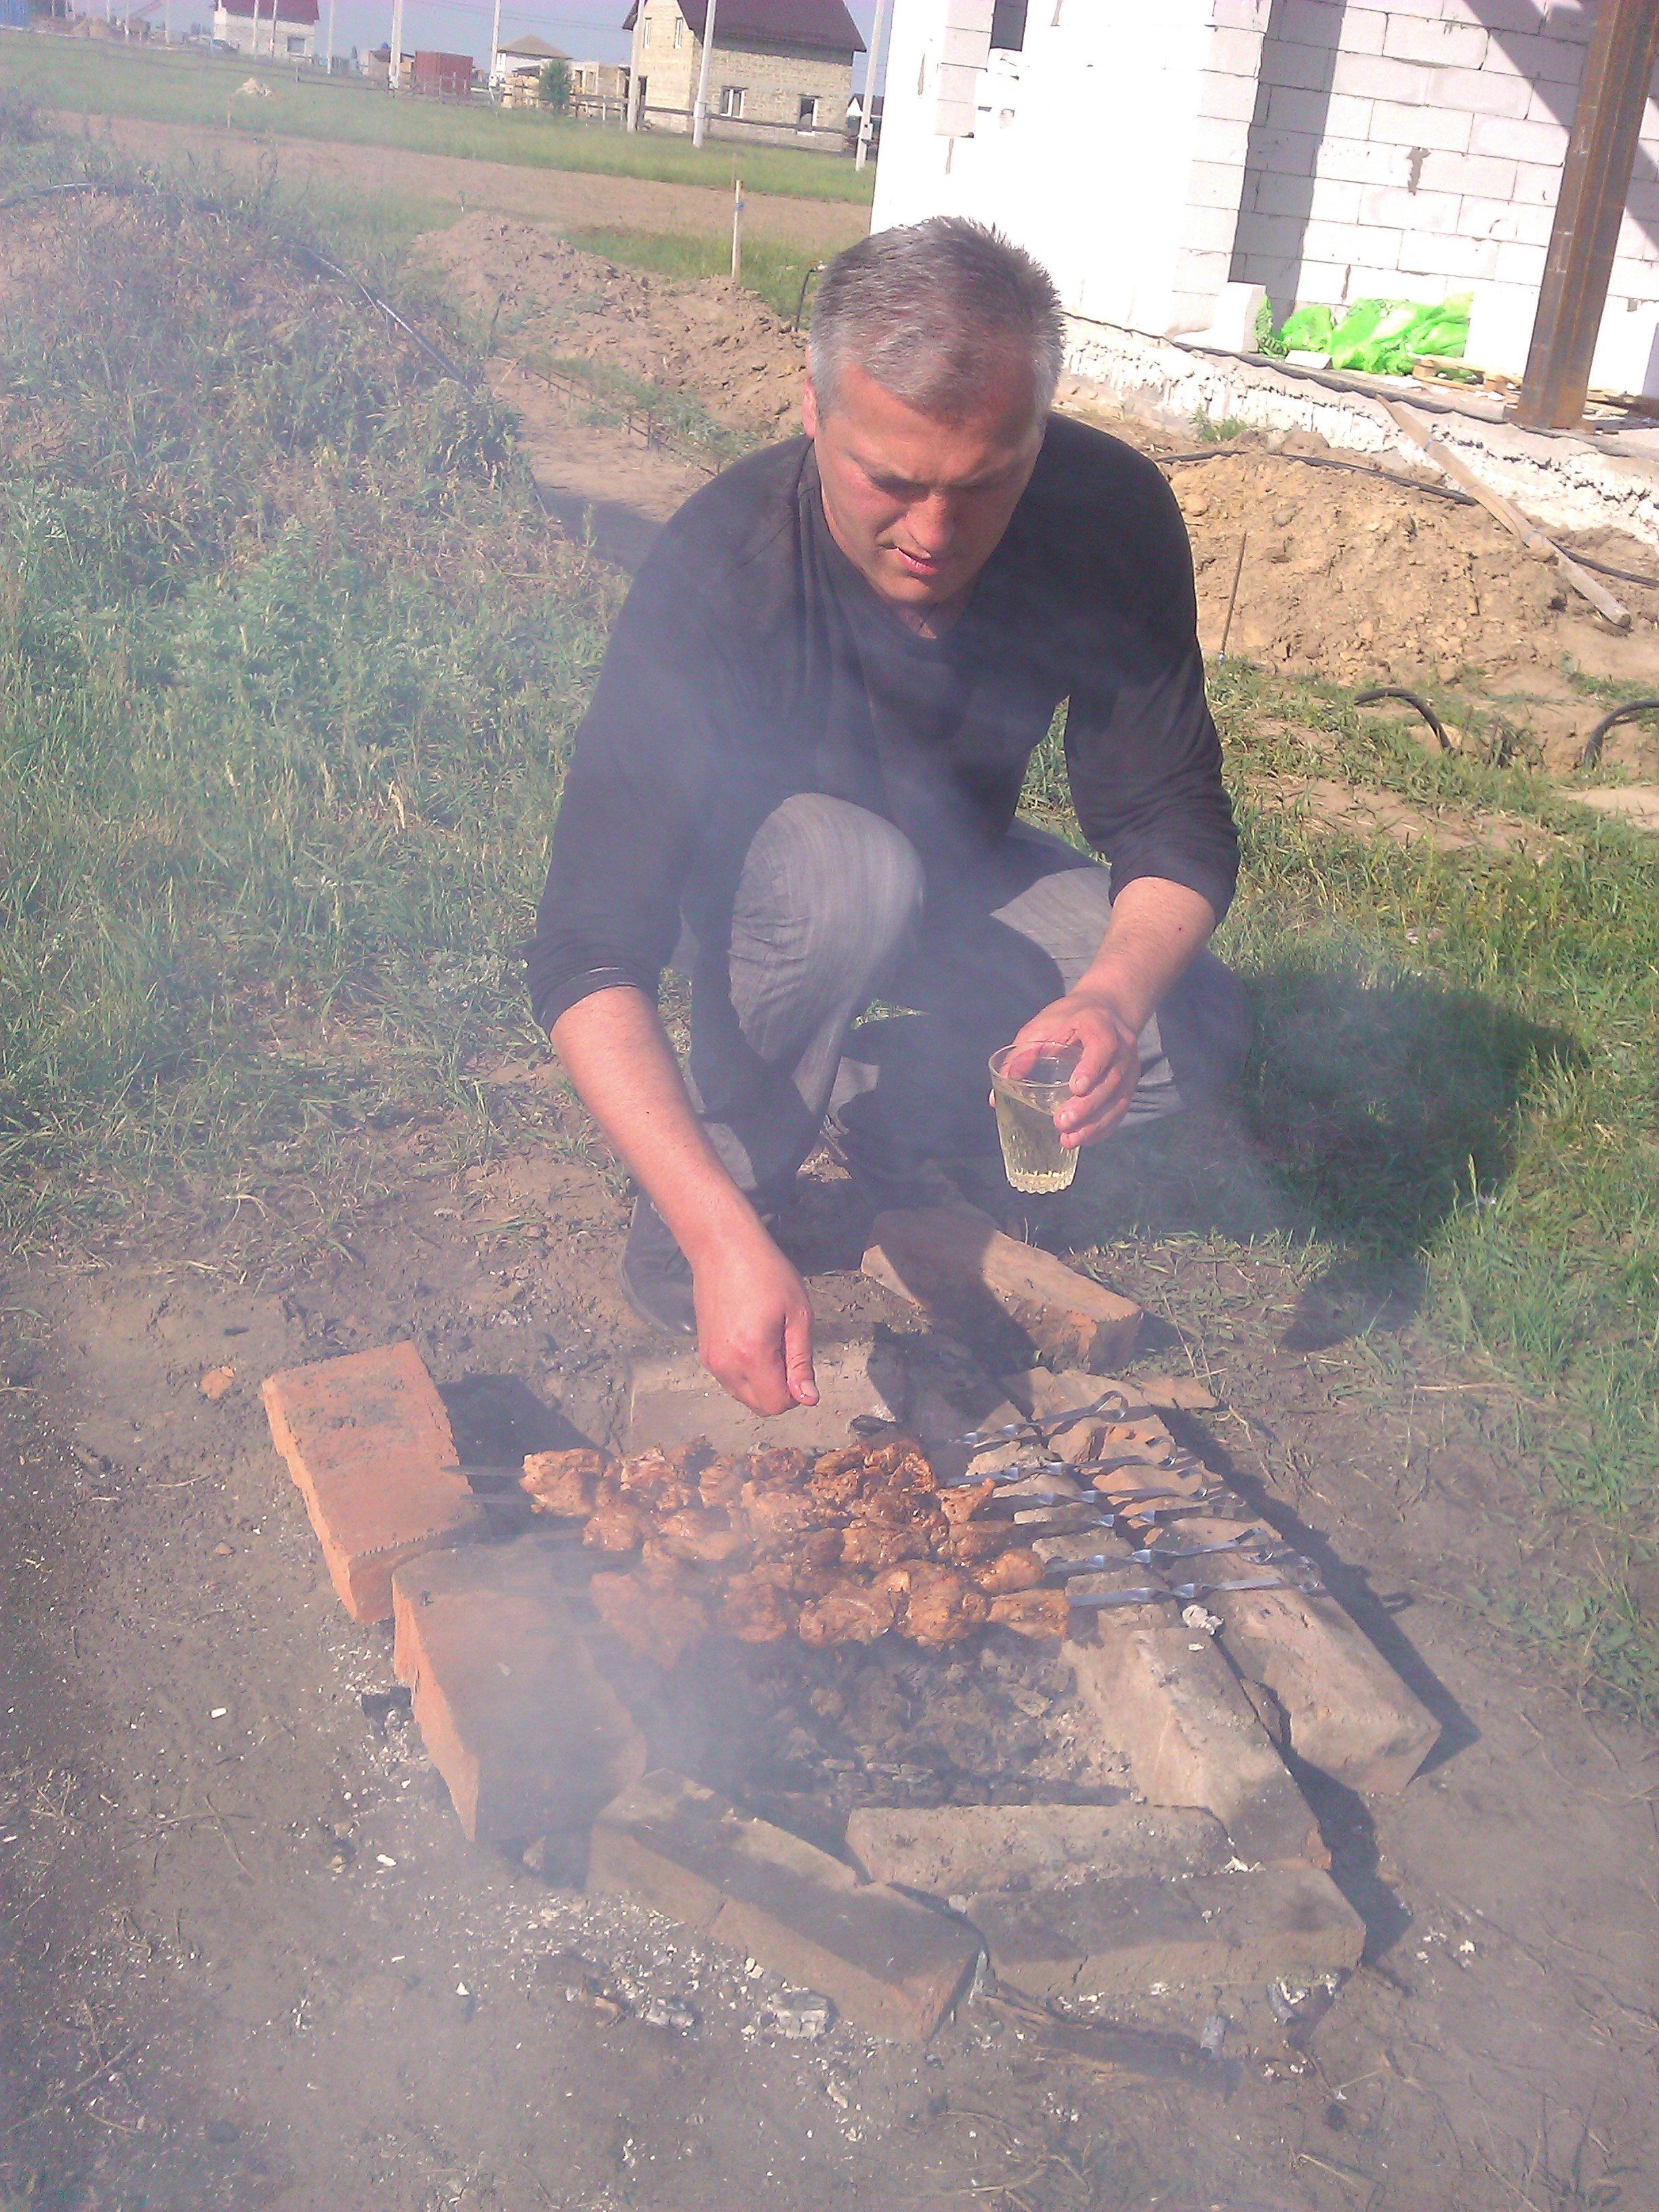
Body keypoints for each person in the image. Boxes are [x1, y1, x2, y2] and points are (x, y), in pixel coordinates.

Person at [527, 217, 1249, 1419]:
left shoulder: (1107, 515)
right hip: (770, 897)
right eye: (891, 482)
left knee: (1194, 1028)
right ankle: (729, 1183)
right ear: (814, 413)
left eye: (983, 485)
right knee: (848, 871)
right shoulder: (724, 564)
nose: (932, 534)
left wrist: (1112, 1001)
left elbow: (1169, 810)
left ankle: (886, 1104)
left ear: (1038, 434)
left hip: (961, 867)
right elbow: (586, 947)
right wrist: (712, 1232)